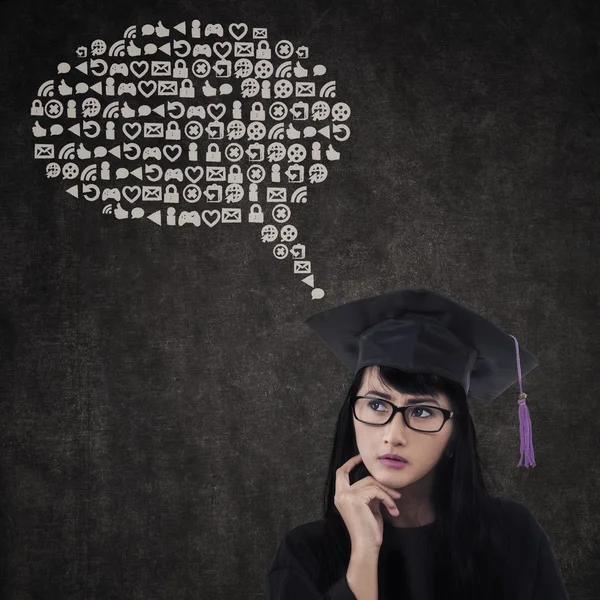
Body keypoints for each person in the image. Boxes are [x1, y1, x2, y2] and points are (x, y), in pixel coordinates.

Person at [265, 288, 570, 600]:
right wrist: (364, 553)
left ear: (455, 434)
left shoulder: (512, 534)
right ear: (351, 417)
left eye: (422, 411)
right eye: (376, 405)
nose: (393, 435)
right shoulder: (302, 553)